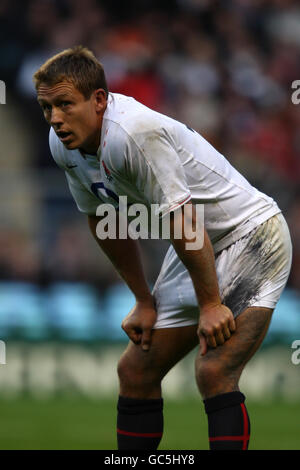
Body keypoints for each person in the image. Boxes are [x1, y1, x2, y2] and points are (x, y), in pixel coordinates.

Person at [33, 46, 292, 451]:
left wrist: (211, 304)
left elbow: (184, 221)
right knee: (135, 370)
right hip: (195, 244)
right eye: (47, 107)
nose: (55, 118)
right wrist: (143, 300)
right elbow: (104, 219)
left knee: (215, 370)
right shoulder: (61, 143)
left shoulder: (133, 133)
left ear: (99, 100)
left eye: (65, 104)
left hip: (252, 236)